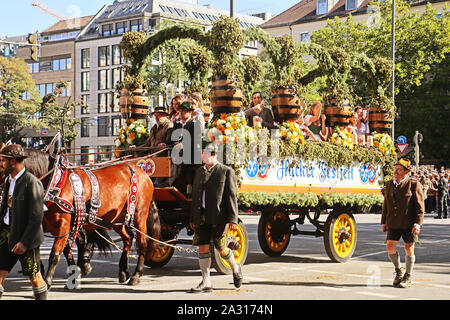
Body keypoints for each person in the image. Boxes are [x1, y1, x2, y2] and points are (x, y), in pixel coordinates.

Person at [189, 141, 242, 293]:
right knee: (202, 247)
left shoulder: (226, 171)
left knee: (220, 248)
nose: (202, 157)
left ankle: (235, 268)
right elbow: (195, 196)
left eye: (205, 154)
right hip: (201, 216)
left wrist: (233, 219)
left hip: (219, 217)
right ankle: (206, 282)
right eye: (201, 154)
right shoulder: (199, 171)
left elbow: (232, 196)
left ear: (214, 155)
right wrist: (193, 217)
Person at [0, 144, 47, 300]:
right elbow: (5, 210)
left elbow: (36, 218)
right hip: (7, 234)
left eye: (2, 161)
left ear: (12, 162)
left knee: (34, 276)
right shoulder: (8, 181)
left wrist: (25, 243)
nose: (0, 164)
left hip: (25, 240)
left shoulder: (32, 183)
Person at [381, 158, 424, 288]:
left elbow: (419, 205)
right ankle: (399, 271)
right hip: (393, 222)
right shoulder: (389, 184)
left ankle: (408, 276)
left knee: (408, 248)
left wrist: (417, 224)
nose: (396, 172)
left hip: (408, 223)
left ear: (406, 171)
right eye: (395, 169)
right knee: (390, 246)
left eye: (399, 169)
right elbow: (386, 205)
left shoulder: (413, 184)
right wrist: (383, 222)